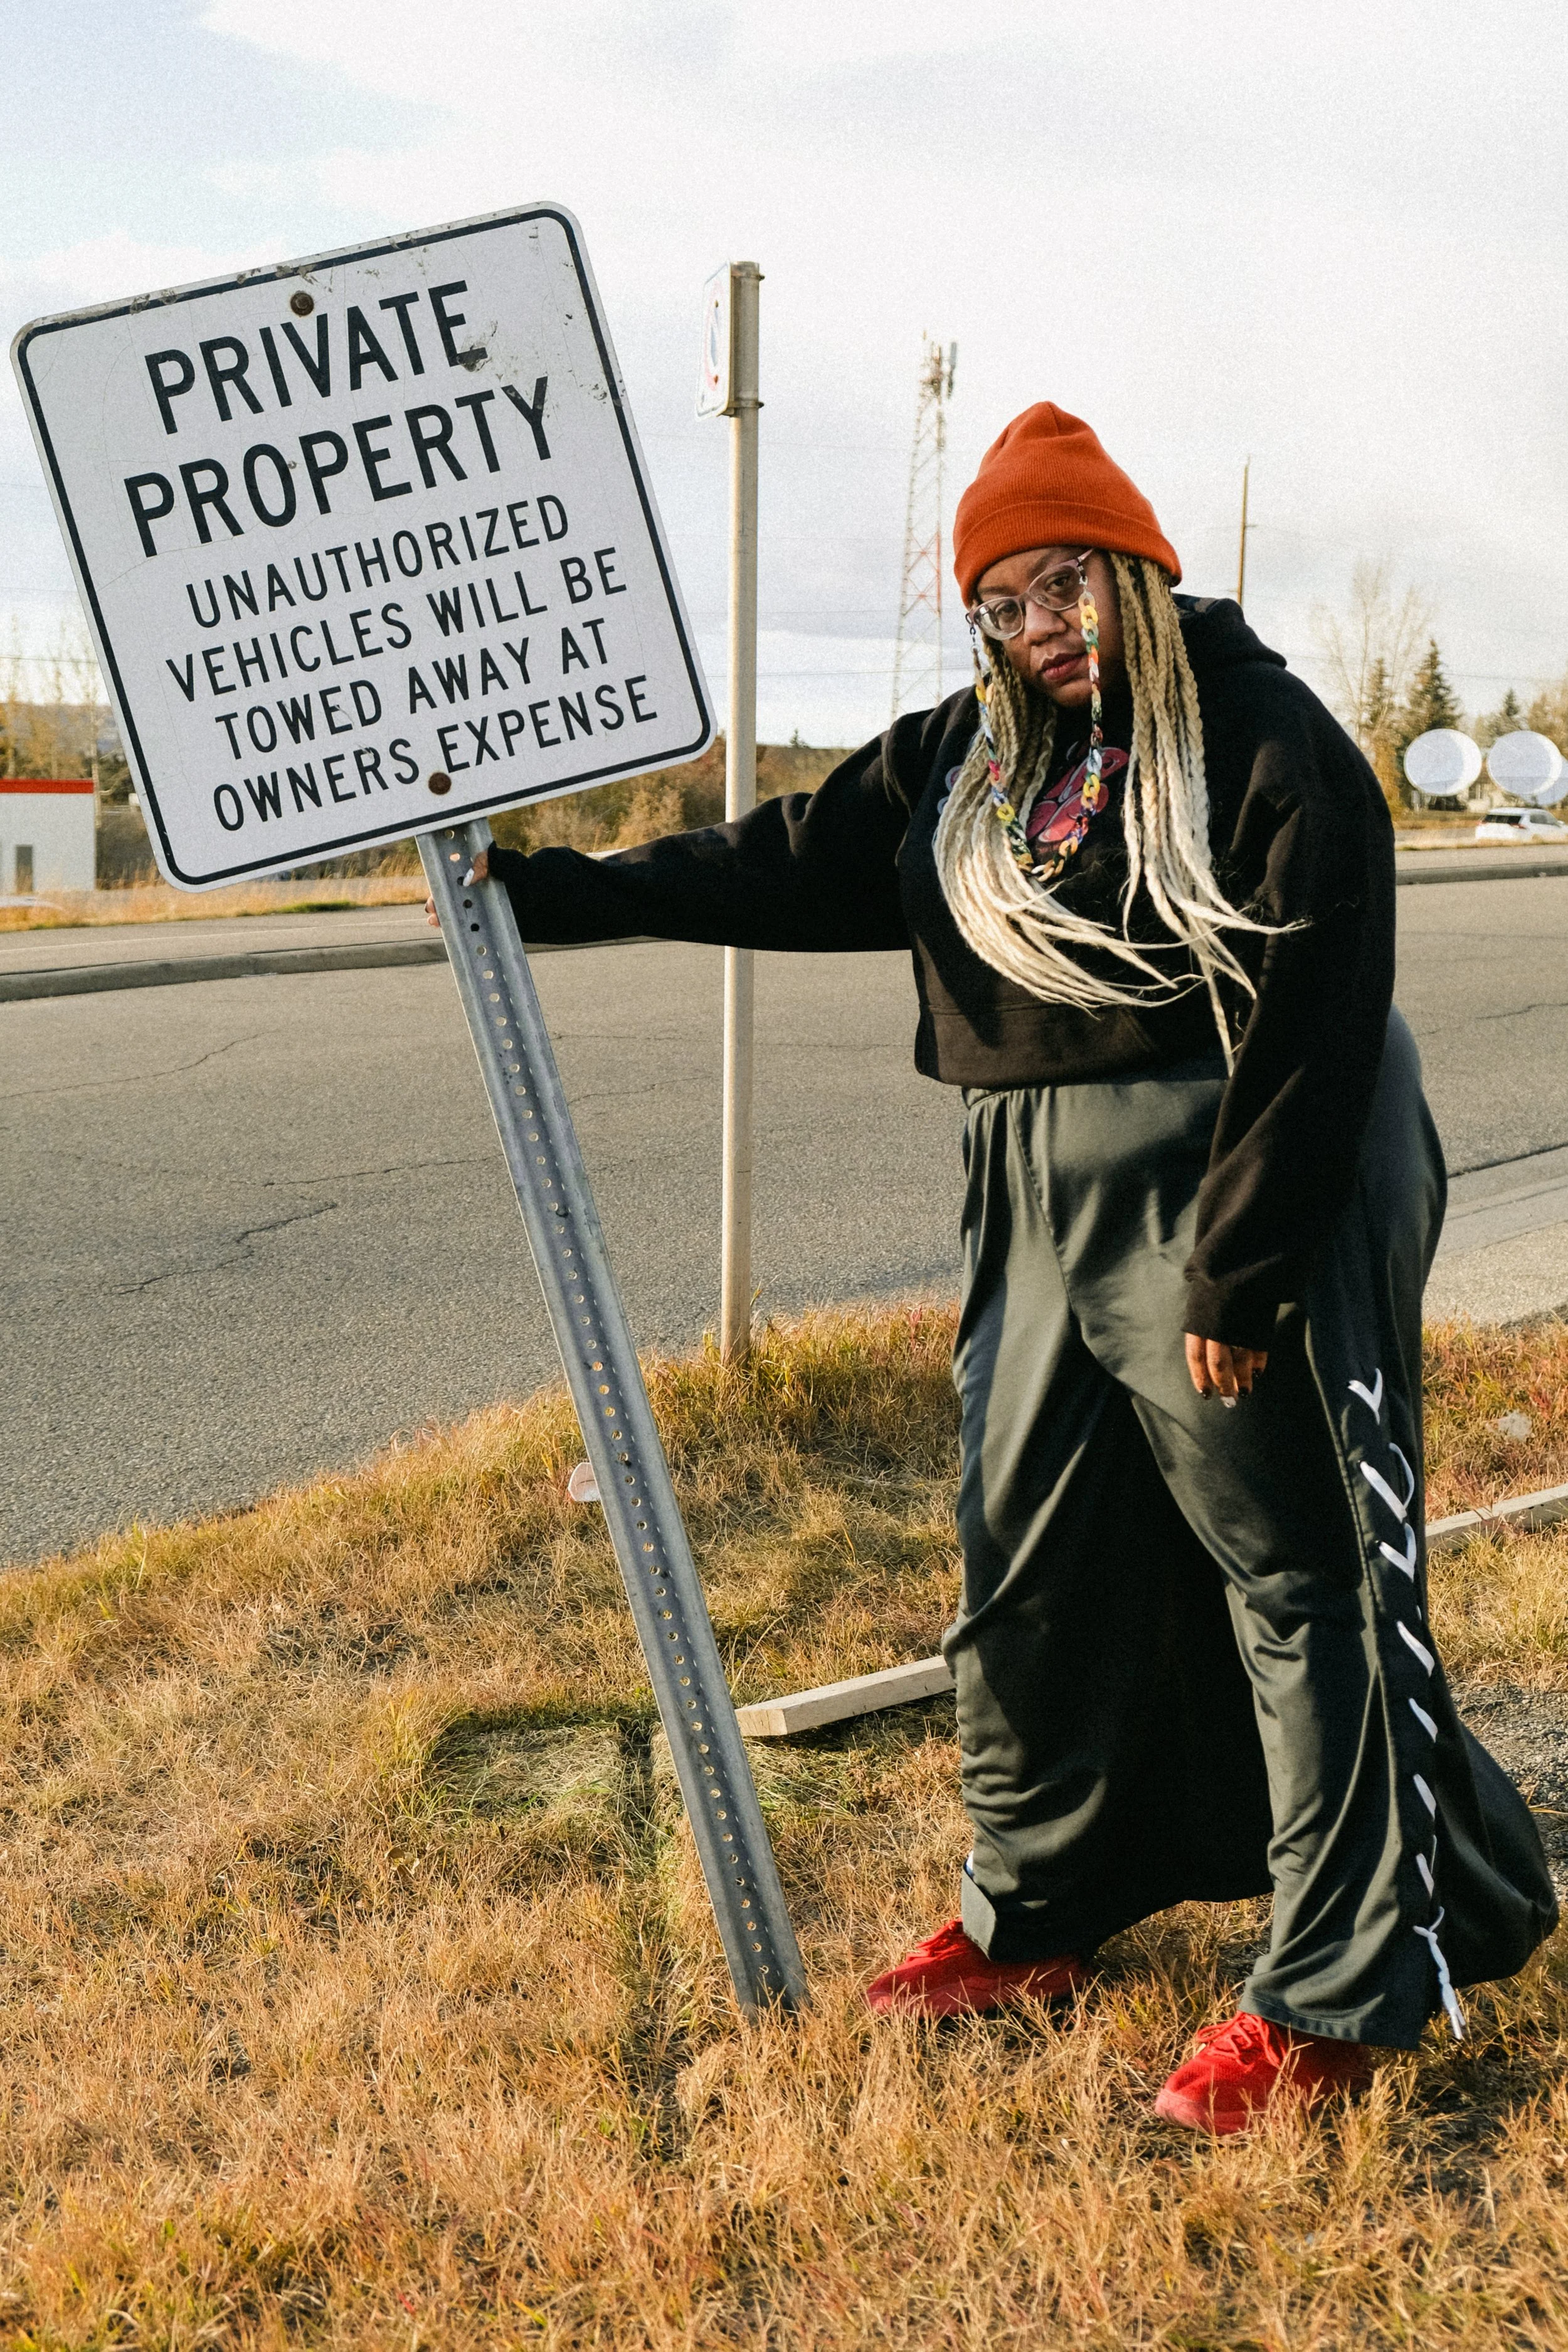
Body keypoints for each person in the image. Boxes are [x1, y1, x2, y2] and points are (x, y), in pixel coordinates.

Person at [434, 404, 1556, 2132]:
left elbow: (1321, 1011)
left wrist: (1240, 1274)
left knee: (1294, 1567)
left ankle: (1339, 1984)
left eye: (1066, 584)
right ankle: (1031, 1910)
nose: (1042, 624)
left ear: (1135, 569)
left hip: (1227, 1187)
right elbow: (789, 856)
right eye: (1007, 598)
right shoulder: (972, 760)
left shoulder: (1258, 736)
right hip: (1024, 1186)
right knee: (1026, 1560)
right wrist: (545, 894)